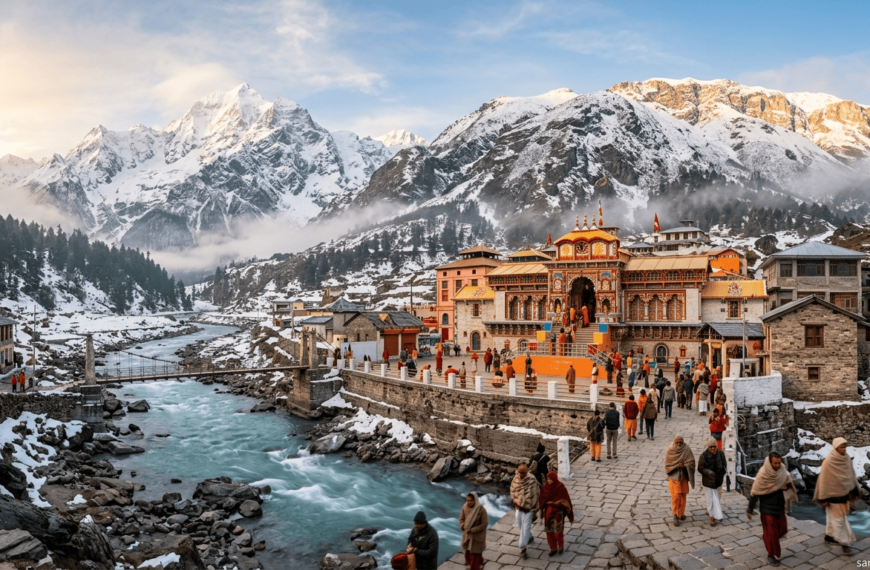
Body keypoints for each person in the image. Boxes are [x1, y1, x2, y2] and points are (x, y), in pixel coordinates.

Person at [747, 453, 797, 566]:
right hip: (767, 509)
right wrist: (750, 509)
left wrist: (791, 491)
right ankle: (771, 555)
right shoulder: (763, 474)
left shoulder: (782, 470)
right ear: (770, 462)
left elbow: (787, 481)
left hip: (779, 507)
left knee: (783, 529)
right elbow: (755, 491)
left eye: (779, 462)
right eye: (775, 463)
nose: (778, 465)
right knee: (772, 534)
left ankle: (768, 538)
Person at [815, 437, 859, 549]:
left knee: (832, 517)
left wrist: (853, 488)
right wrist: (823, 496)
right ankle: (844, 542)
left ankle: (829, 536)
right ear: (836, 447)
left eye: (845, 446)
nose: (844, 449)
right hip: (832, 495)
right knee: (839, 520)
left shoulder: (846, 458)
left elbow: (850, 474)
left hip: (844, 493)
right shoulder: (829, 461)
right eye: (841, 447)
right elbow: (824, 479)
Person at [539, 472, 574, 556]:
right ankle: (553, 548)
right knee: (549, 531)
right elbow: (542, 499)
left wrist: (555, 503)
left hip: (558, 513)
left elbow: (565, 500)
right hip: (548, 513)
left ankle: (561, 546)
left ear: (554, 479)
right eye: (548, 479)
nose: (549, 481)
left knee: (558, 532)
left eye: (551, 479)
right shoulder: (545, 487)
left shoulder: (560, 487)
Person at [510, 463, 540, 559]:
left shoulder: (532, 479)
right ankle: (530, 537)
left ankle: (522, 548)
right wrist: (516, 501)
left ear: (527, 471)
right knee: (520, 525)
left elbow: (536, 493)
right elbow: (513, 490)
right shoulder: (516, 479)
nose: (521, 475)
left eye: (523, 473)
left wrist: (535, 507)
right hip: (519, 507)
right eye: (520, 472)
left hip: (529, 509)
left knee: (525, 528)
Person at [664, 434, 695, 526]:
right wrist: (677, 466)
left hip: (684, 477)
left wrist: (685, 465)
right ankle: (675, 515)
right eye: (676, 442)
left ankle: (681, 514)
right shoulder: (670, 449)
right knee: (675, 497)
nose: (678, 444)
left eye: (680, 442)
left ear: (683, 442)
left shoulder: (686, 449)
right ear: (674, 441)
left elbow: (692, 462)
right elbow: (667, 464)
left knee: (683, 496)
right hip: (674, 477)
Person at [698, 438, 727, 526]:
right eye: (711, 447)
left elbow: (724, 465)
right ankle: (712, 518)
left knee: (717, 499)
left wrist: (722, 473)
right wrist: (709, 473)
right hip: (708, 482)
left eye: (714, 446)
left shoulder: (721, 453)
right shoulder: (704, 455)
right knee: (710, 500)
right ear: (708, 447)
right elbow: (700, 468)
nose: (713, 449)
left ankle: (717, 514)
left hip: (718, 480)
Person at [459, 492, 488, 570]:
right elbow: (461, 519)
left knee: (475, 554)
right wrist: (463, 526)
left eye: (471, 500)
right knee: (467, 552)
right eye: (468, 500)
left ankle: (475, 567)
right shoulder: (465, 507)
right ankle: (480, 562)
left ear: (475, 500)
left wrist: (473, 530)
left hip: (477, 537)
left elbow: (484, 524)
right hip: (467, 535)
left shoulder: (481, 510)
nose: (469, 502)